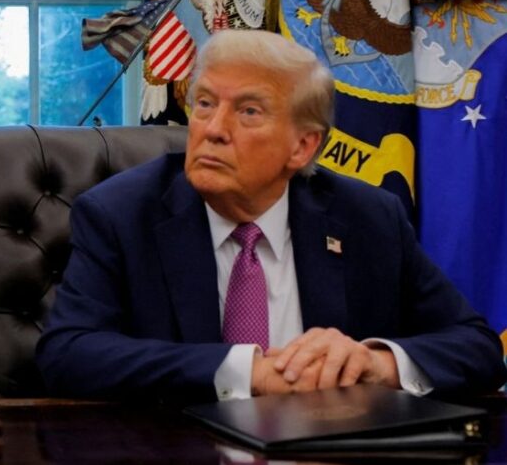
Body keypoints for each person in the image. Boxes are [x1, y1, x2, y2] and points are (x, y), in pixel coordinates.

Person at [36, 29, 506, 403]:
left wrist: (374, 363)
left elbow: (477, 347)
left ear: (303, 147)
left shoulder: (368, 218)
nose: (213, 130)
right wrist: (249, 372)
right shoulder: (120, 214)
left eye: (249, 111)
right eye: (204, 103)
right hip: (181, 463)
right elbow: (68, 354)